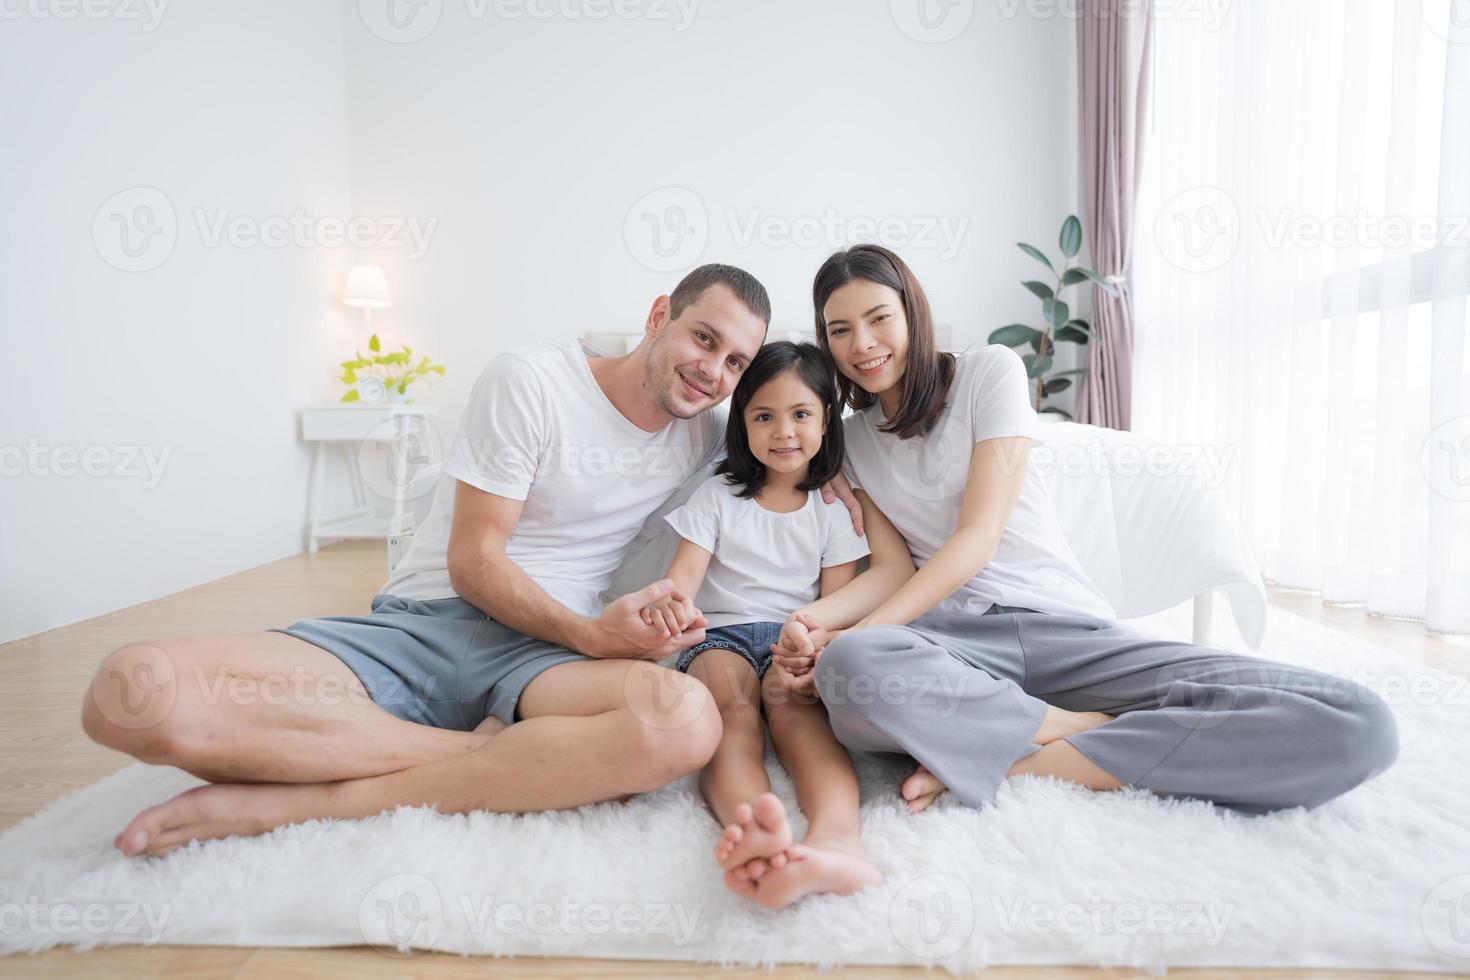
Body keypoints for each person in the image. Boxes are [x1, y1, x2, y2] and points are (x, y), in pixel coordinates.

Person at [83, 264, 861, 857]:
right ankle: (481, 756)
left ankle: (294, 804)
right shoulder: (532, 380)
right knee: (130, 695)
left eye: (734, 361)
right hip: (431, 625)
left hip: (543, 662)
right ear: (659, 317)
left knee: (683, 720)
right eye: (703, 338)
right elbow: (473, 561)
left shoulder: (708, 428)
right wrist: (596, 636)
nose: (714, 372)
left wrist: (855, 499)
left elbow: (795, 447)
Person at [774, 243, 1399, 816]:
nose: (863, 343)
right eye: (840, 329)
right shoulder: (849, 441)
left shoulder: (988, 372)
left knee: (1360, 723)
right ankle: (1075, 729)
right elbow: (895, 570)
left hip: (1060, 628)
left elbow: (979, 537)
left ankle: (1021, 754)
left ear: (912, 311)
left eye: (879, 317)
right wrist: (823, 629)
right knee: (850, 670)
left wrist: (860, 634)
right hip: (950, 647)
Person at [644, 341, 914, 908]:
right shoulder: (717, 496)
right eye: (763, 416)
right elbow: (680, 589)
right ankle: (755, 830)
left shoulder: (834, 507)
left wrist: (806, 652)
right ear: (742, 424)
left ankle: (839, 841)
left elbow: (833, 603)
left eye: (800, 415)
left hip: (792, 639)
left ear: (825, 421)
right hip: (719, 637)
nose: (783, 431)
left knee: (799, 718)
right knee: (733, 714)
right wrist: (668, 616)